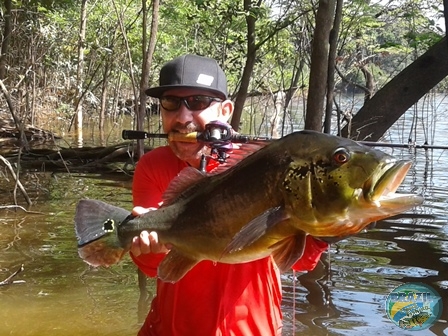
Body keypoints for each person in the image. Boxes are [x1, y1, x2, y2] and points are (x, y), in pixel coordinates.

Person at [130, 54, 329, 336]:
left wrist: (327, 232)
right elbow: (155, 268)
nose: (182, 117)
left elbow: (297, 260)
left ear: (225, 111)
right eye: (171, 103)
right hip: (173, 327)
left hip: (252, 328)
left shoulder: (265, 164)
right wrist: (148, 247)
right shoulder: (152, 166)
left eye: (197, 102)